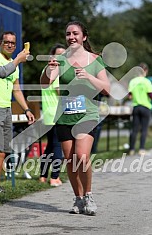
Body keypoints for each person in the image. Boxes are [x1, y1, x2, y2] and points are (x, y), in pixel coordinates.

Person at [40, 21, 110, 215]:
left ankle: (88, 195)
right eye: (68, 33)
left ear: (84, 37)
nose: (71, 37)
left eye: (75, 33)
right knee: (70, 161)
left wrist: (89, 76)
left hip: (87, 114)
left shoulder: (95, 60)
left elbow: (107, 88)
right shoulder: (61, 59)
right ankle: (78, 199)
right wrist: (48, 69)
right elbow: (46, 84)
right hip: (65, 115)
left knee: (82, 157)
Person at [0, 31, 35, 193]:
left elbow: (16, 89)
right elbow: (2, 72)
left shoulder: (14, 64)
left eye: (13, 43)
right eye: (6, 42)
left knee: (3, 151)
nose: (10, 45)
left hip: (6, 109)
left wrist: (27, 109)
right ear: (0, 44)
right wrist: (18, 59)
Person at [39, 43, 66, 186]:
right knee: (57, 146)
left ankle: (42, 175)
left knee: (50, 146)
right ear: (52, 56)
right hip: (57, 113)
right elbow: (60, 92)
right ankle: (55, 177)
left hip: (48, 113)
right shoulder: (56, 70)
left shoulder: (46, 69)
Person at [128, 62, 152, 155]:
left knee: (134, 129)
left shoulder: (132, 81)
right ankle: (141, 149)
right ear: (145, 71)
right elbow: (151, 96)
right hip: (145, 107)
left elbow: (130, 96)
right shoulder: (147, 82)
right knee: (144, 129)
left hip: (136, 107)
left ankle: (131, 149)